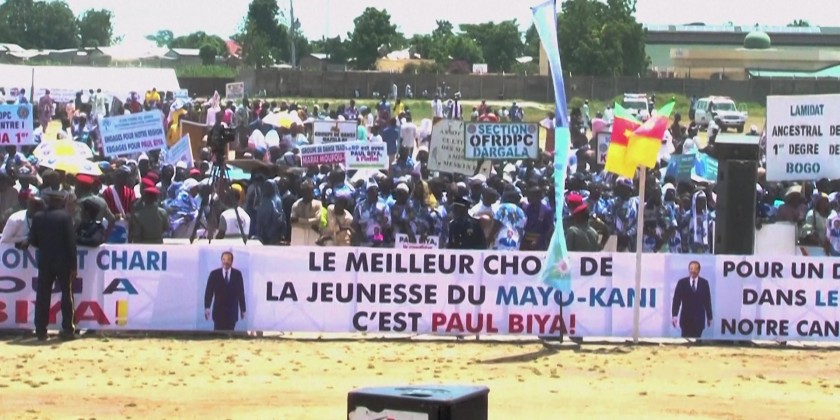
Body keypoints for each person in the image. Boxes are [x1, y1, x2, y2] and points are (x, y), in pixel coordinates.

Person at [28, 190, 77, 341]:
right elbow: (71, 243)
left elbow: (33, 241)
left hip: (45, 261)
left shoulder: (38, 217)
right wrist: (74, 265)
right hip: (63, 261)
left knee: (42, 295)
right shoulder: (65, 217)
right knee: (66, 295)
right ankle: (68, 329)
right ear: (61, 201)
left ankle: (41, 331)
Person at [204, 251, 246, 331]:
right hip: (218, 312)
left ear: (232, 261)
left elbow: (241, 292)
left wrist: (243, 309)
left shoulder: (237, 274)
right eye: (224, 259)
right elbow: (209, 292)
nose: (226, 262)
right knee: (218, 334)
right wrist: (207, 307)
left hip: (232, 312)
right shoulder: (214, 274)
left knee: (230, 335)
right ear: (221, 260)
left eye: (228, 260)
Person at [671, 260, 713, 339]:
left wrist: (709, 317)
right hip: (685, 319)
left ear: (699, 270)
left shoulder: (704, 283)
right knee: (685, 341)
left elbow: (707, 301)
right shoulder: (682, 283)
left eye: (695, 269)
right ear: (689, 270)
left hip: (699, 319)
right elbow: (676, 300)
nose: (693, 271)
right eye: (691, 268)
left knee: (697, 341)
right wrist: (674, 315)